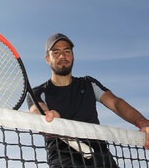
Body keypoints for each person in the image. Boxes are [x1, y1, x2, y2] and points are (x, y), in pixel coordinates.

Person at [27, 33, 149, 167]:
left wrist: (142, 122)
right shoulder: (38, 92)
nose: (62, 56)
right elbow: (37, 110)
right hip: (64, 161)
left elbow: (115, 103)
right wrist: (46, 118)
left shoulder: (88, 84)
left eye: (67, 51)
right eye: (56, 52)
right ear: (47, 59)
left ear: (72, 56)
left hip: (101, 160)